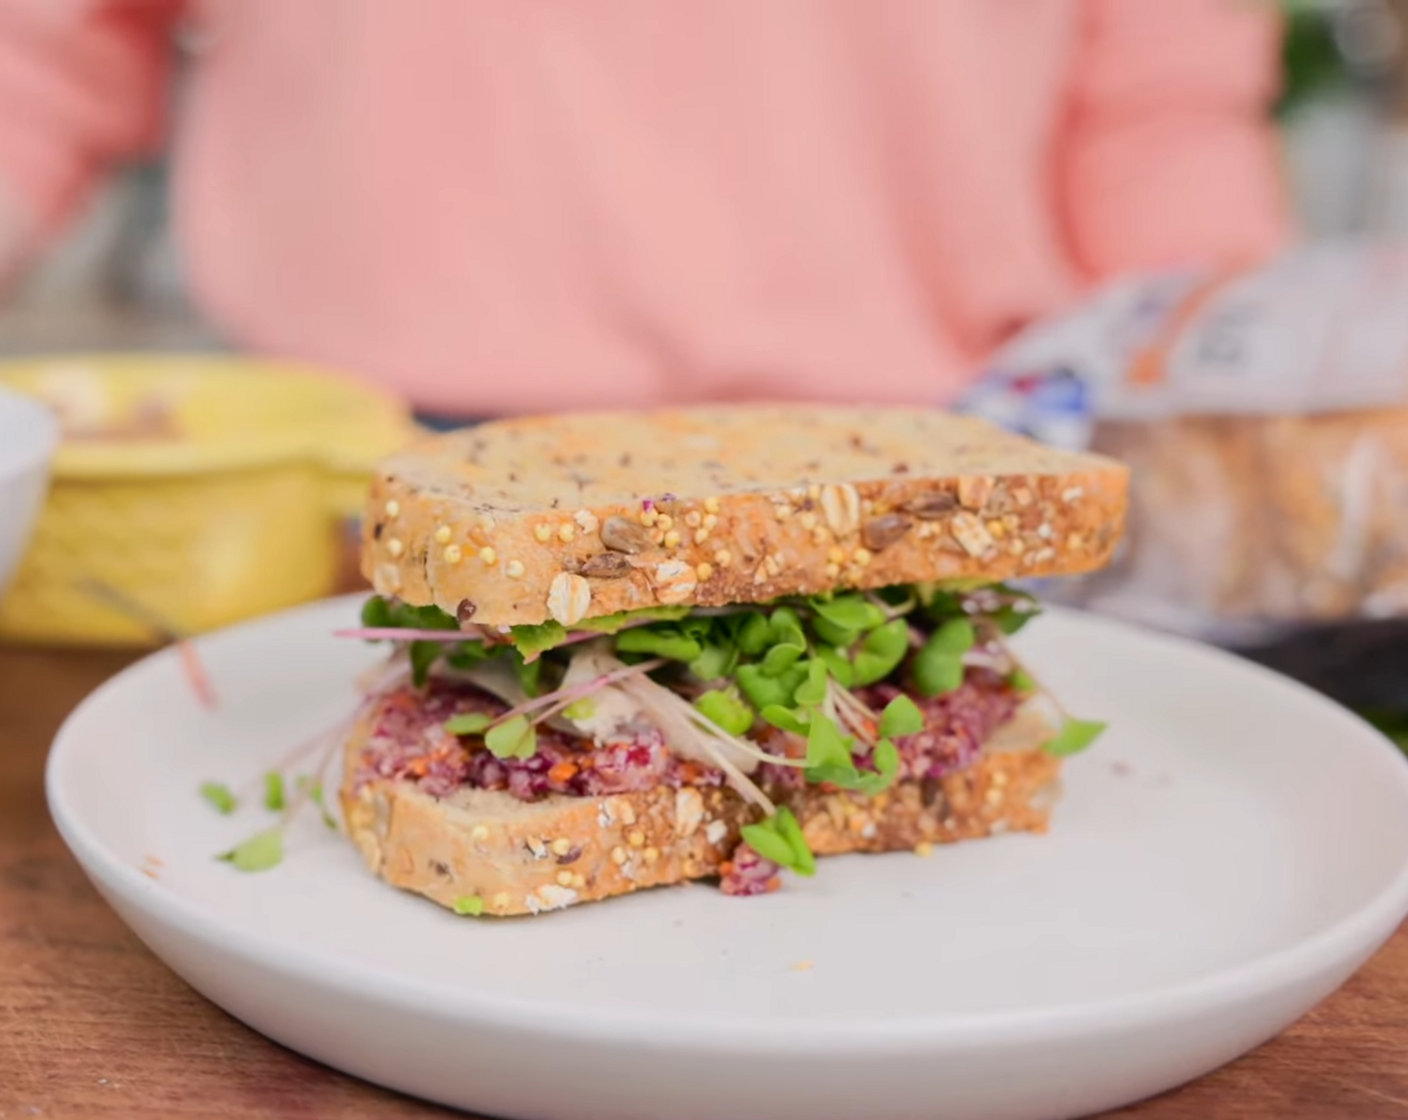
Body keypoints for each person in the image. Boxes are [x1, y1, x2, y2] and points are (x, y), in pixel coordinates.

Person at [0, 0, 1290, 418]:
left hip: (926, 450)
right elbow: (43, 48)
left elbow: (1158, 105)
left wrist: (1257, 415)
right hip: (342, 466)